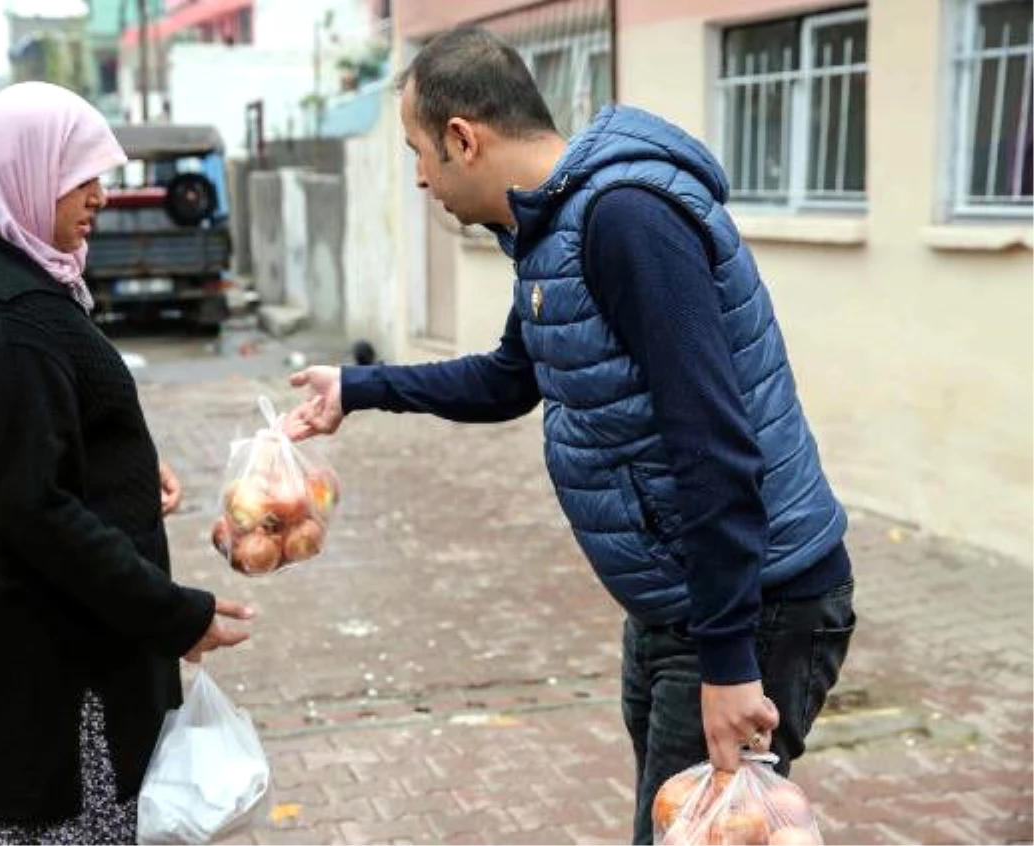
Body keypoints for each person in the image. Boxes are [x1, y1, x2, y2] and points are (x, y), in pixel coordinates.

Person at [282, 26, 856, 846]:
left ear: (462, 139)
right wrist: (359, 387)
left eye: (418, 153)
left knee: (696, 835)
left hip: (754, 604)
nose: (417, 179)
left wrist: (731, 661)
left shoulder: (625, 220)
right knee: (675, 828)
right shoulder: (554, 230)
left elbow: (713, 445)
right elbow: (509, 378)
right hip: (680, 602)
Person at [0, 82, 254, 845]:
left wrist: (115, 464)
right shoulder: (10, 320)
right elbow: (33, 509)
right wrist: (175, 616)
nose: (101, 198)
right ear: (22, 171)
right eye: (79, 177)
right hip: (42, 679)